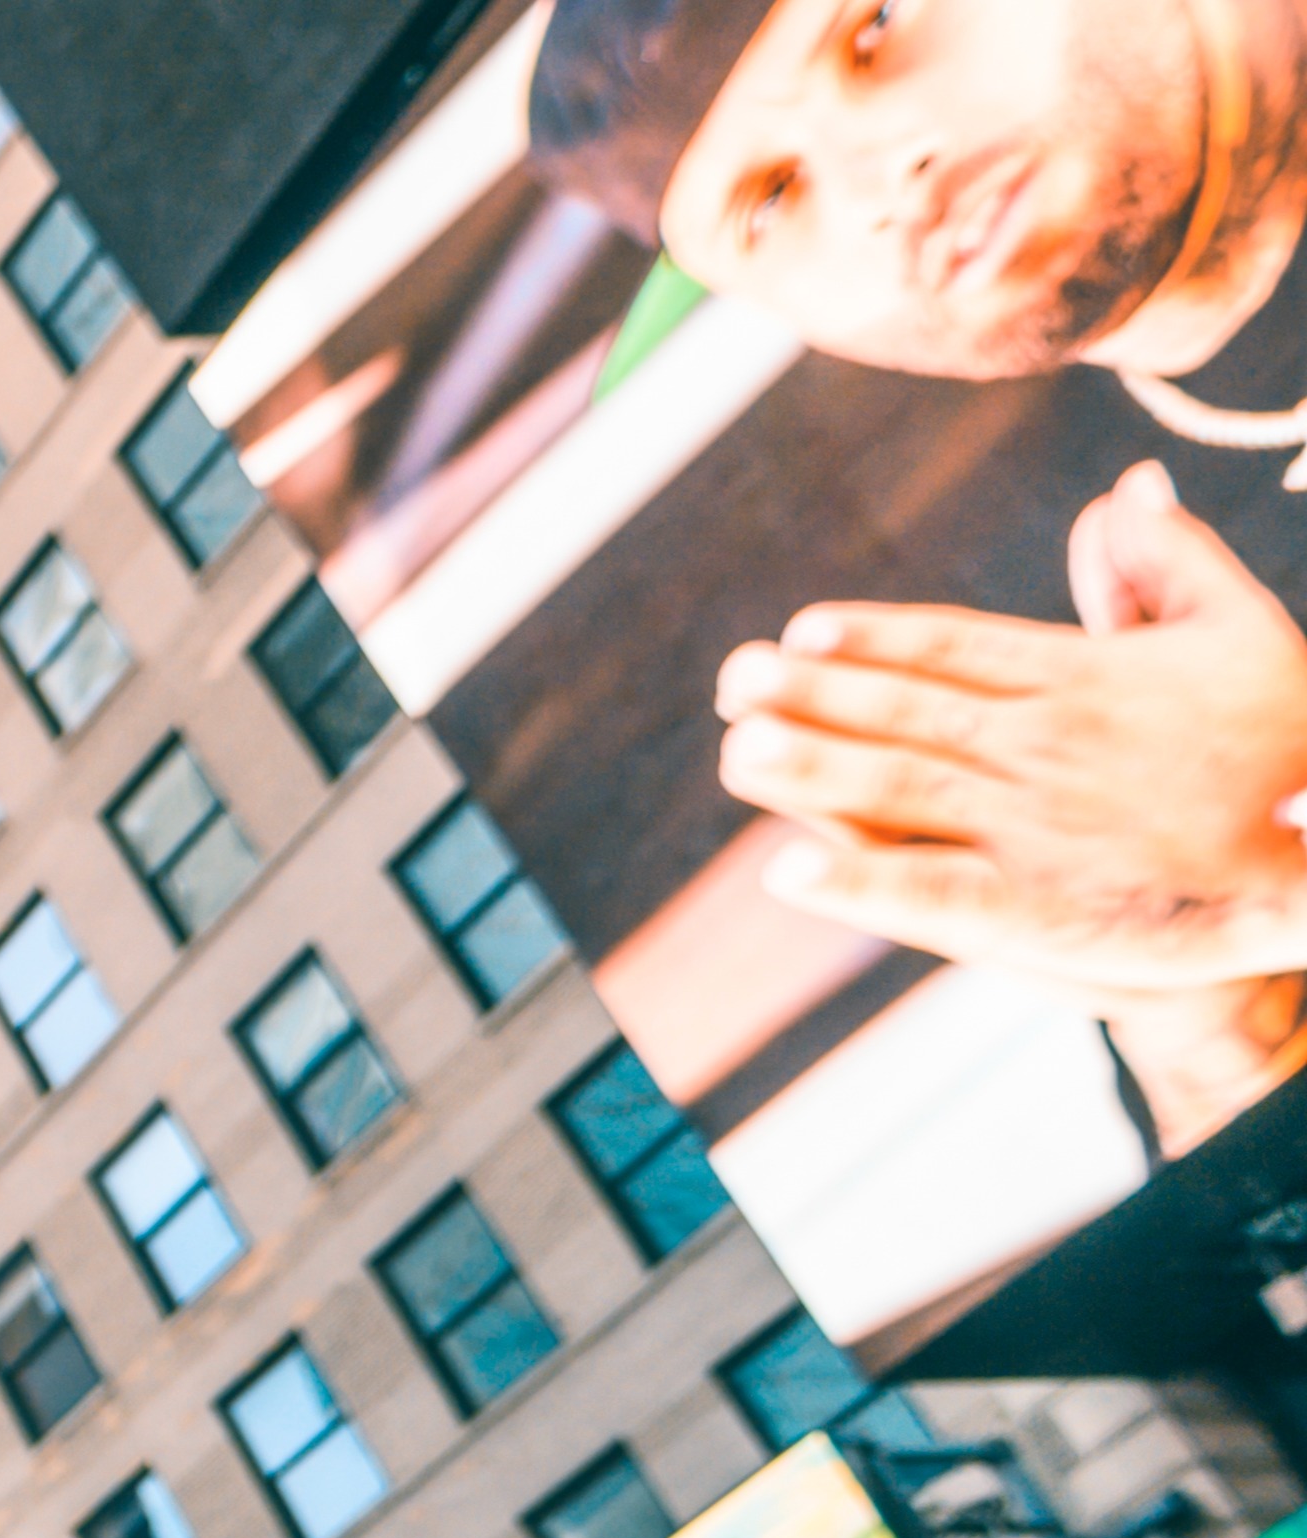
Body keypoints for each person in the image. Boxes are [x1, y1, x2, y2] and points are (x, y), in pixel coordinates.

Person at [556, 0, 1307, 1129]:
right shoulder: (1096, 650)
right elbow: (1257, 1281)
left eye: (873, 32)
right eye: (769, 204)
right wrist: (1224, 1036)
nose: (877, 190)